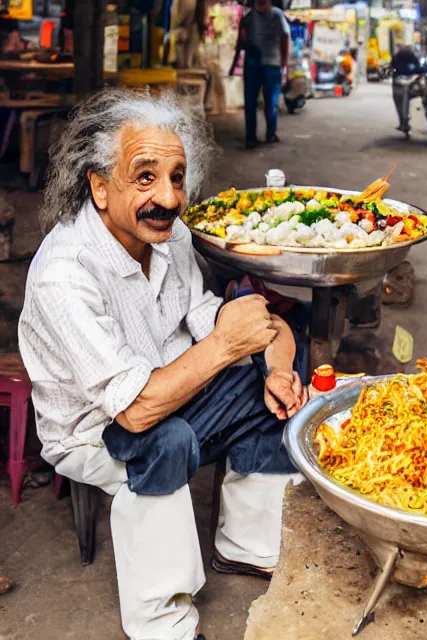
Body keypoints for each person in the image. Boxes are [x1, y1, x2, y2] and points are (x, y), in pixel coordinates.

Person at [18, 88, 307, 640]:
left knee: (277, 385)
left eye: (176, 177)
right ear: (99, 188)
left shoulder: (167, 236)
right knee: (164, 439)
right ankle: (162, 619)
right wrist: (226, 346)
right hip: (96, 427)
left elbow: (206, 317)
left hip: (166, 388)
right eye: (145, 176)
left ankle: (246, 546)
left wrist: (274, 366)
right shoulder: (66, 274)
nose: (169, 198)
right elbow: (136, 411)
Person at [229, 0, 290, 149]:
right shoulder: (257, 16)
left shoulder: (255, 16)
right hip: (263, 65)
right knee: (265, 103)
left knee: (259, 103)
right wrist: (284, 65)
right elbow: (285, 38)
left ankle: (258, 136)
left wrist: (284, 64)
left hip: (262, 65)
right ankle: (264, 135)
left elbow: (284, 38)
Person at [391, 44, 424, 132]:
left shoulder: (397, 56)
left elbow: (392, 67)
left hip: (400, 82)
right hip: (410, 83)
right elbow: (418, 68)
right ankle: (404, 121)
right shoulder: (412, 56)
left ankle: (403, 122)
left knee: (398, 101)